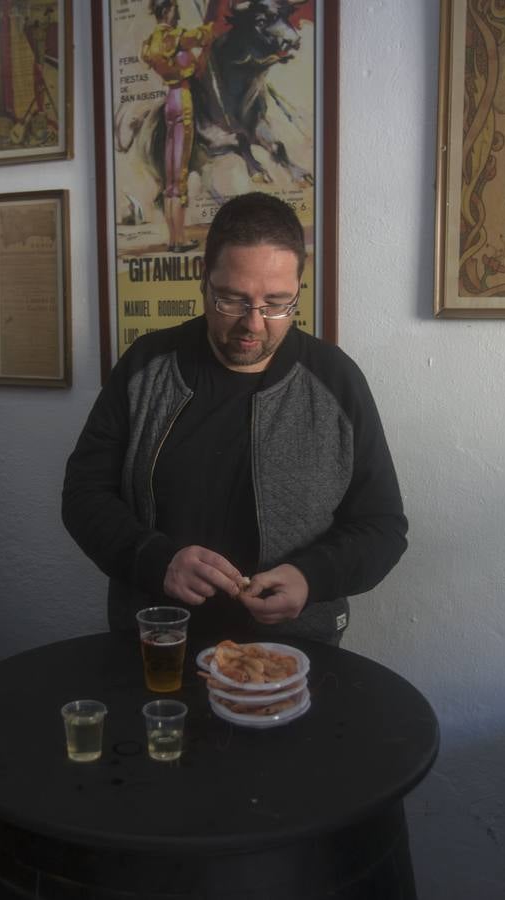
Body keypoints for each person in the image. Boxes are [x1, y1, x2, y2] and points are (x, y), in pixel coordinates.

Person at [62, 192, 408, 645]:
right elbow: (83, 495)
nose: (254, 324)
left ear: (298, 291)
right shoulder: (146, 366)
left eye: (277, 303)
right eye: (232, 300)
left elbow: (383, 527)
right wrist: (155, 560)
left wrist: (312, 579)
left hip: (295, 650)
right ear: (203, 283)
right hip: (156, 643)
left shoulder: (336, 380)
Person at [140, 0, 218, 253]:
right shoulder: (173, 37)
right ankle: (179, 239)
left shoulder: (150, 41)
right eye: (175, 9)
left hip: (168, 102)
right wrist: (215, 19)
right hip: (182, 100)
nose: (178, 14)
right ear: (169, 10)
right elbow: (203, 35)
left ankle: (173, 239)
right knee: (180, 175)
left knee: (170, 177)